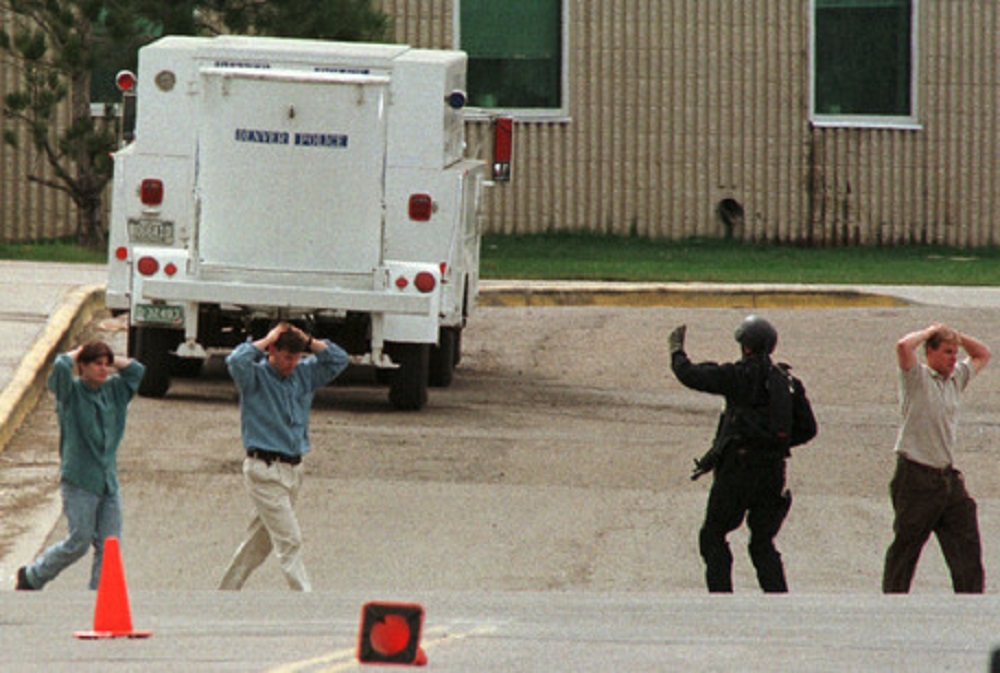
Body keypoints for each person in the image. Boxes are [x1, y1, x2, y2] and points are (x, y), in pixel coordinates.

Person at [668, 315, 815, 593]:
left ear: (746, 347)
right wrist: (773, 445)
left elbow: (690, 375)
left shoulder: (736, 376)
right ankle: (778, 601)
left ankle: (722, 600)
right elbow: (808, 429)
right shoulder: (789, 383)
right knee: (762, 543)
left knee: (713, 535)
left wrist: (676, 351)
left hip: (737, 471)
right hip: (772, 472)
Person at [219, 322, 348, 592]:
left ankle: (225, 594)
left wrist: (308, 340)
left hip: (293, 470)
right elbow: (235, 360)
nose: (292, 364)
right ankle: (305, 600)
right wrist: (267, 339)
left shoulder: (304, 374)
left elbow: (339, 360)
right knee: (290, 540)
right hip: (264, 469)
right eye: (287, 357)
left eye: (297, 357)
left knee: (259, 542)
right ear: (273, 351)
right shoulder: (254, 377)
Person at [16, 340, 145, 591]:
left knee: (110, 546)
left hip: (108, 483)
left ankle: (98, 597)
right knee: (79, 542)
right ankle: (33, 576)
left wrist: (110, 356)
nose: (104, 369)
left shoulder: (114, 390)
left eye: (106, 364)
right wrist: (79, 352)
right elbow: (60, 367)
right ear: (82, 366)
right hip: (80, 481)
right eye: (97, 364)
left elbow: (136, 371)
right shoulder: (70, 393)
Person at [882, 323, 990, 593]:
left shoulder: (956, 378)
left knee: (966, 545)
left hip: (946, 478)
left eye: (955, 353)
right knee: (906, 547)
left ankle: (970, 602)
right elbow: (903, 346)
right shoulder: (917, 378)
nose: (953, 358)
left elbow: (982, 354)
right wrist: (930, 331)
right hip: (916, 476)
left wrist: (957, 336)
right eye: (946, 352)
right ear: (930, 352)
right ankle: (892, 601)